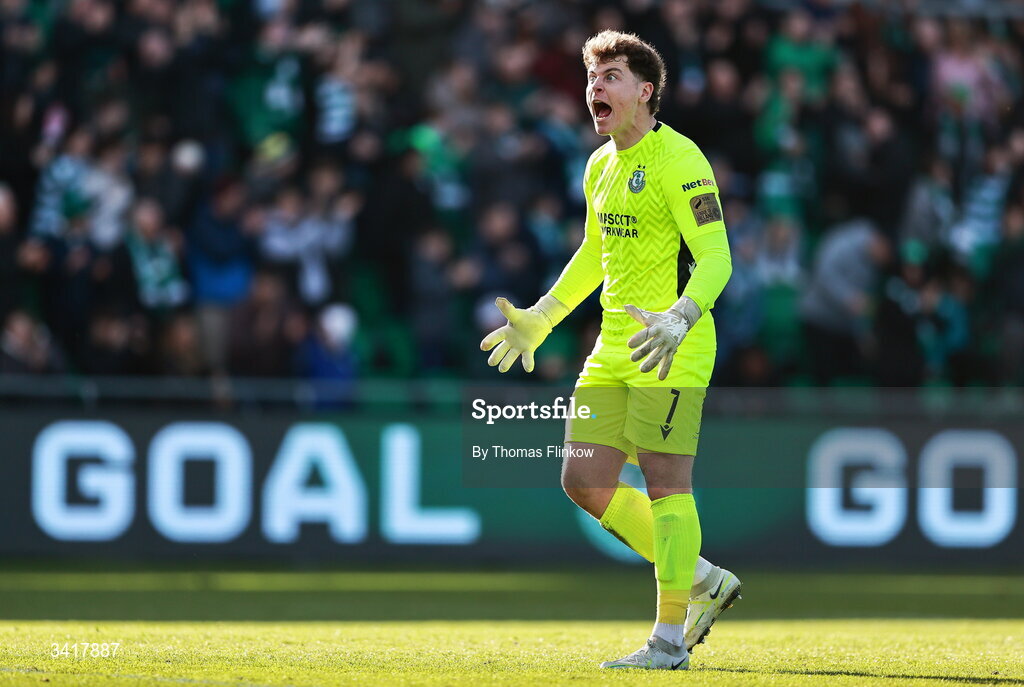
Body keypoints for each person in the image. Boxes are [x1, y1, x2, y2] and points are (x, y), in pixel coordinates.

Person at [480, 30, 738, 671]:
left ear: (645, 91)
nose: (596, 87)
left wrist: (681, 316)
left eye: (612, 76)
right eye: (593, 77)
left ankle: (669, 640)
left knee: (665, 487)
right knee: (583, 480)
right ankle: (703, 578)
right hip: (614, 348)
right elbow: (596, 253)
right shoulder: (598, 165)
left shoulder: (682, 160)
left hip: (670, 347)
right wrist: (541, 318)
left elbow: (716, 258)